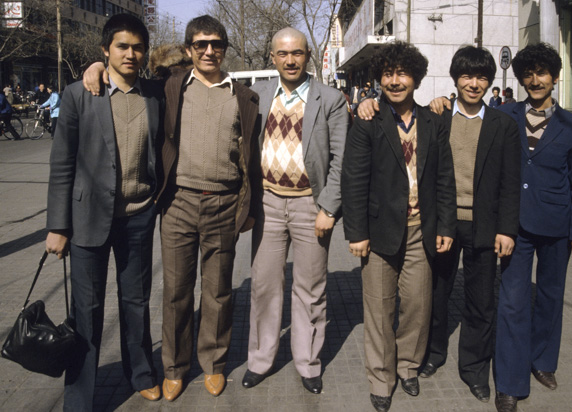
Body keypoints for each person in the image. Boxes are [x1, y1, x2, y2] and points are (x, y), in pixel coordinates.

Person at [45, 14, 163, 410]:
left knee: (136, 302)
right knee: (87, 310)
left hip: (138, 216)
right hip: (86, 221)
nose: (131, 54)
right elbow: (62, 163)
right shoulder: (80, 94)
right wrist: (57, 226)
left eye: (137, 47)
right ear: (105, 50)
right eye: (122, 47)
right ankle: (79, 398)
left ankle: (142, 373)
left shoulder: (154, 93)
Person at [341, 41, 456, 412]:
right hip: (377, 233)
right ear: (379, 78)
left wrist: (446, 226)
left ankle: (407, 366)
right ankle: (380, 377)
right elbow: (353, 179)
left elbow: (444, 179)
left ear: (416, 78)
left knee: (417, 305)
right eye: (388, 73)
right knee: (378, 308)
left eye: (402, 73)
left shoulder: (434, 121)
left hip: (422, 228)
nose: (394, 81)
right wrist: (356, 233)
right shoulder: (368, 120)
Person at [157, 15, 259, 401]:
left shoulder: (243, 95)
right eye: (200, 44)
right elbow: (126, 77)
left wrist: (249, 205)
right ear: (189, 49)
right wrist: (97, 65)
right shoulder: (171, 88)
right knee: (176, 291)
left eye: (216, 44)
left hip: (224, 204)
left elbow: (252, 156)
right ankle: (174, 368)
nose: (209, 51)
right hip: (179, 203)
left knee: (217, 292)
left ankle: (214, 365)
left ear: (225, 49)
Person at [241, 27, 347, 395]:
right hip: (268, 202)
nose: (290, 60)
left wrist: (329, 207)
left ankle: (308, 363)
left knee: (311, 289)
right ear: (272, 57)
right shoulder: (258, 94)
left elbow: (340, 160)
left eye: (297, 53)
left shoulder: (330, 99)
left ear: (308, 56)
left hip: (309, 205)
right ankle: (260, 360)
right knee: (265, 286)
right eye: (283, 54)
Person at [493, 43, 572, 412]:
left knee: (550, 299)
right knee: (513, 302)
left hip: (557, 224)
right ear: (520, 78)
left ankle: (542, 361)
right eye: (528, 74)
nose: (535, 80)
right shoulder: (504, 115)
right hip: (513, 226)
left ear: (554, 77)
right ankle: (509, 381)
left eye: (542, 73)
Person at [418, 46, 521, 404]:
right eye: (466, 76)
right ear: (455, 78)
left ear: (489, 82)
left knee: (480, 301)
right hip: (444, 222)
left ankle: (475, 368)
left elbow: (510, 181)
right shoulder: (437, 118)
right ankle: (432, 354)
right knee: (436, 293)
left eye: (481, 77)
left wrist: (507, 229)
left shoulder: (503, 125)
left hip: (484, 225)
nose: (473, 84)